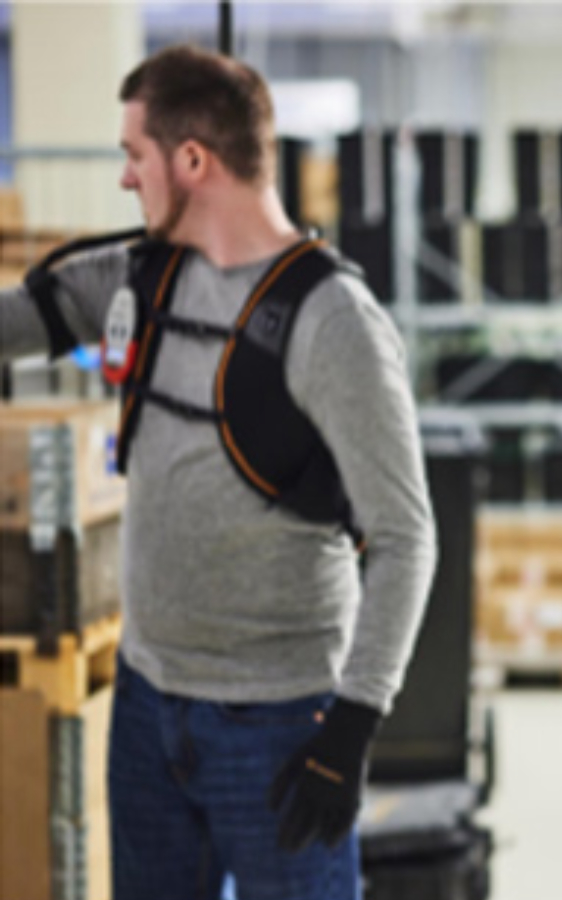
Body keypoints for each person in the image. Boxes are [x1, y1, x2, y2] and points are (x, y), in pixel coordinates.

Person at [0, 45, 437, 899]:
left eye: (134, 155)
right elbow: (18, 319)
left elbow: (405, 537)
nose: (126, 180)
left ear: (191, 161)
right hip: (147, 702)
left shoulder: (333, 320)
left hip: (280, 725)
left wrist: (351, 727)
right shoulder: (142, 278)